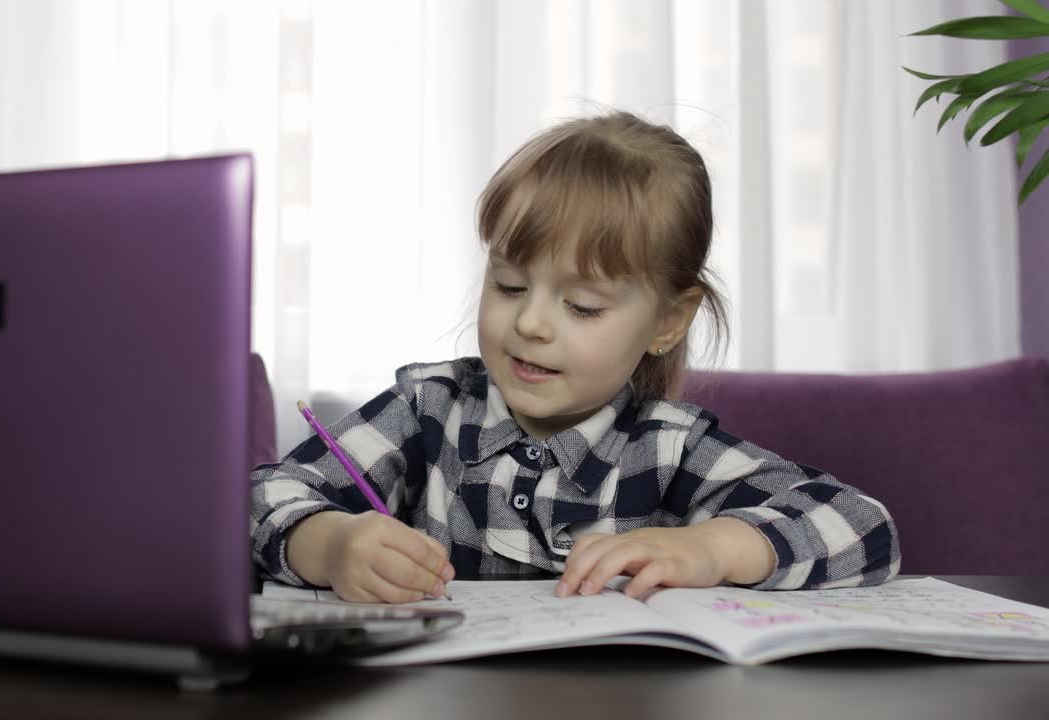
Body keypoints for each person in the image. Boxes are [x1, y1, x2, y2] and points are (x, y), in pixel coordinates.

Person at [250, 110, 900, 604]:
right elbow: (257, 496)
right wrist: (331, 544)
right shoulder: (429, 410)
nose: (530, 323)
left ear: (668, 322)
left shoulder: (668, 448)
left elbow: (862, 525)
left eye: (582, 307)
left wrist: (711, 548)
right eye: (508, 285)